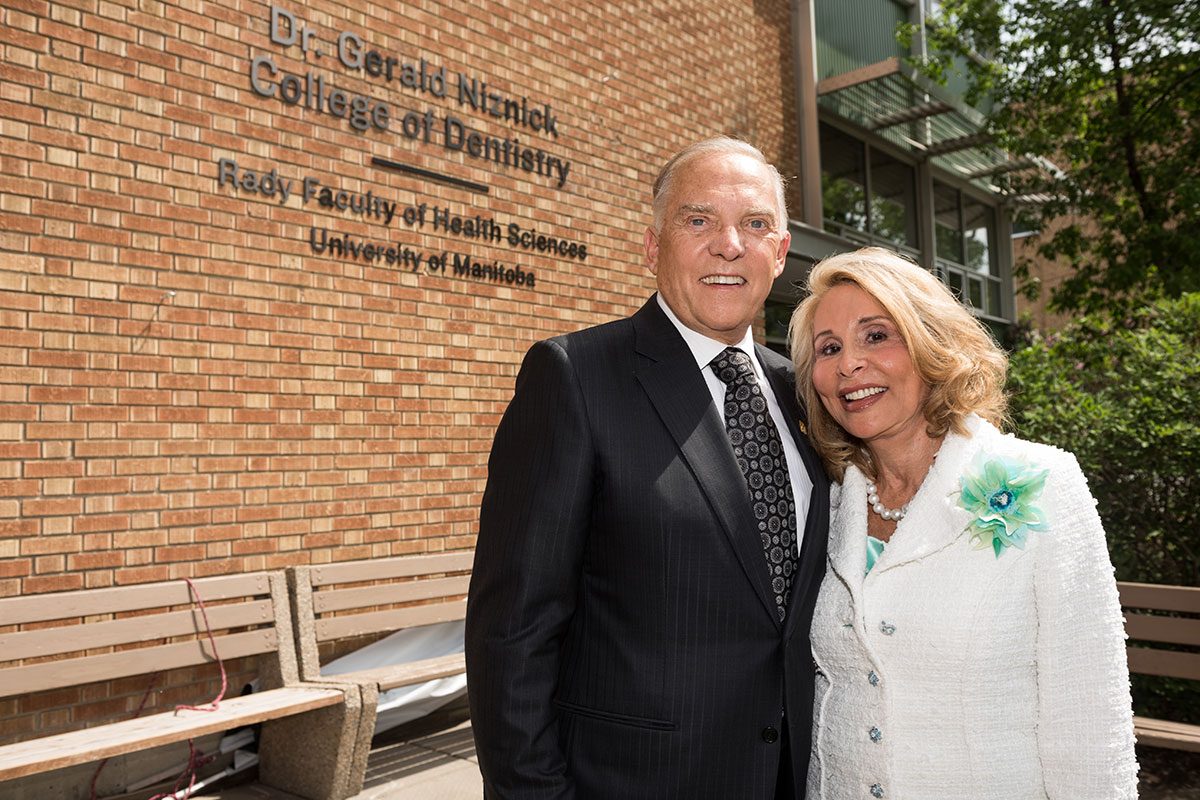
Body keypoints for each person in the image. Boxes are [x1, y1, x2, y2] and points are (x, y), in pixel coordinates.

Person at [466, 137, 831, 799]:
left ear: (780, 253)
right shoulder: (574, 378)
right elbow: (513, 630)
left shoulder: (803, 391)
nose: (728, 245)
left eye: (754, 225)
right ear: (651, 244)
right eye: (699, 221)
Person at [789, 247, 1138, 799]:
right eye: (828, 349)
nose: (849, 364)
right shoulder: (823, 505)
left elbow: (1091, 716)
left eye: (876, 335)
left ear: (932, 345)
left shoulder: (1041, 483)